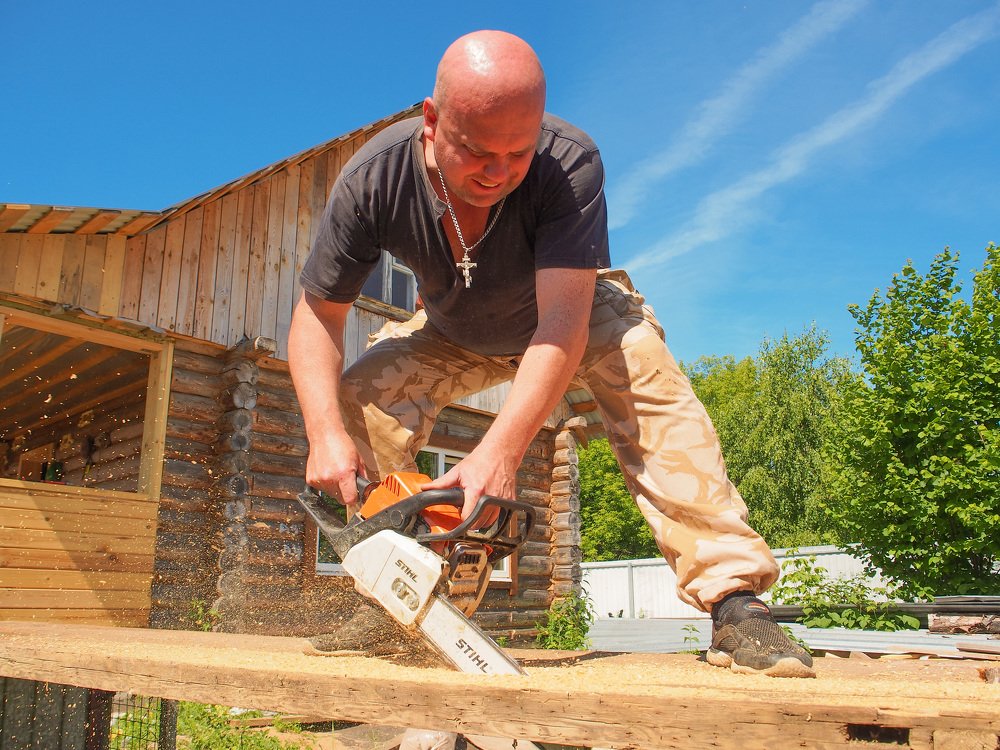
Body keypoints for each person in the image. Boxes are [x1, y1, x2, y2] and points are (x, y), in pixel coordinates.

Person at [288, 30, 813, 680]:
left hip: (576, 318)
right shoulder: (374, 180)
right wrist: (323, 434)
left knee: (649, 378)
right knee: (357, 398)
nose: (497, 172)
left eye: (518, 152)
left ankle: (735, 603)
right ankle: (396, 591)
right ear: (432, 120)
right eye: (477, 151)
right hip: (455, 329)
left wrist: (500, 453)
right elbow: (318, 315)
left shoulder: (568, 162)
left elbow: (562, 325)